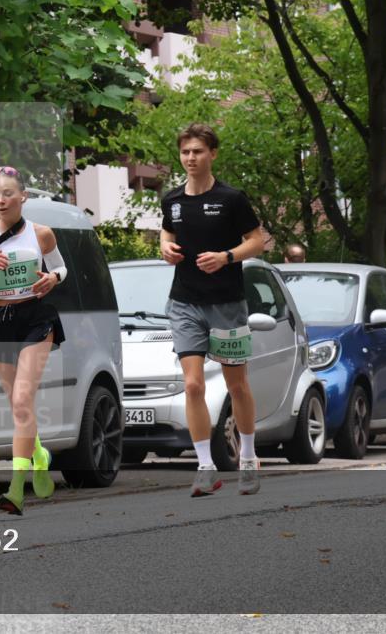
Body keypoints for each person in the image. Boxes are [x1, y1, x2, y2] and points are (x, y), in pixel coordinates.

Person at [159, 124, 266, 497]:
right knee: (192, 384)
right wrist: (165, 247)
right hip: (185, 302)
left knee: (237, 384)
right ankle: (205, 466)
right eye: (186, 152)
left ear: (213, 154)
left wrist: (226, 257)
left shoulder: (232, 198)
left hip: (227, 304)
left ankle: (249, 458)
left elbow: (258, 240)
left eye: (198, 152)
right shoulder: (171, 200)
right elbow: (167, 233)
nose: (191, 158)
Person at [0, 166, 67, 515]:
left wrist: (51, 278)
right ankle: (39, 455)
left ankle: (17, 489)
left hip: (35, 318)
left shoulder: (42, 234)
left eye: (8, 193)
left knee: (22, 400)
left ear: (23, 197)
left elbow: (61, 269)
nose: (1, 199)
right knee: (17, 405)